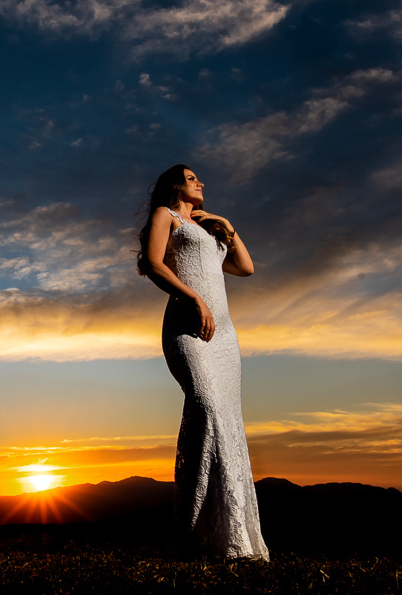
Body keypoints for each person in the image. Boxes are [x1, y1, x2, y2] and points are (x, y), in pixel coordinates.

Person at [138, 164, 270, 560]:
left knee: (227, 421)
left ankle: (230, 539)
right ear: (176, 185)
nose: (201, 183)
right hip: (186, 326)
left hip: (225, 336)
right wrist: (194, 298)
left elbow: (245, 268)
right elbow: (153, 264)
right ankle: (194, 530)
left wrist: (226, 225)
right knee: (207, 407)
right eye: (193, 178)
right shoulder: (167, 216)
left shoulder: (211, 228)